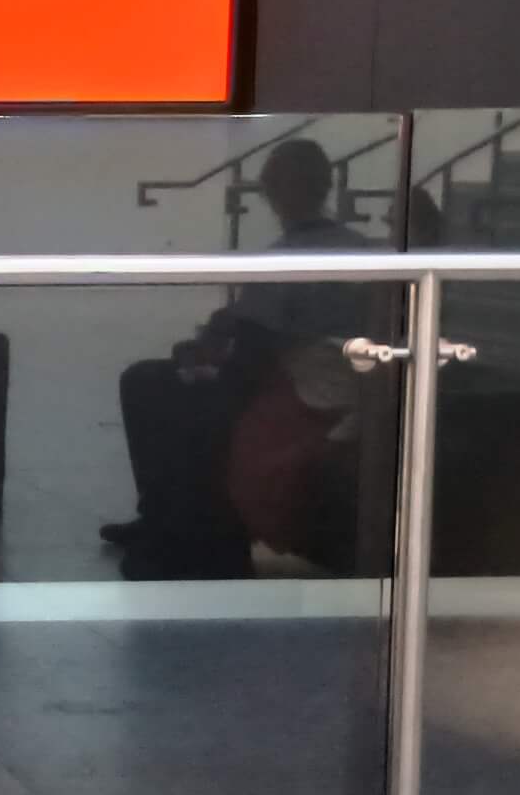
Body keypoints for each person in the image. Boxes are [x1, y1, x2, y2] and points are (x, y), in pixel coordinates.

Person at [103, 138, 376, 580]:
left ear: (274, 192)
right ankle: (160, 519)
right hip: (339, 381)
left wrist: (206, 359)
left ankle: (167, 526)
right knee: (162, 382)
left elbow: (256, 343)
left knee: (149, 385)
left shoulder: (287, 258)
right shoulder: (361, 247)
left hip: (301, 387)